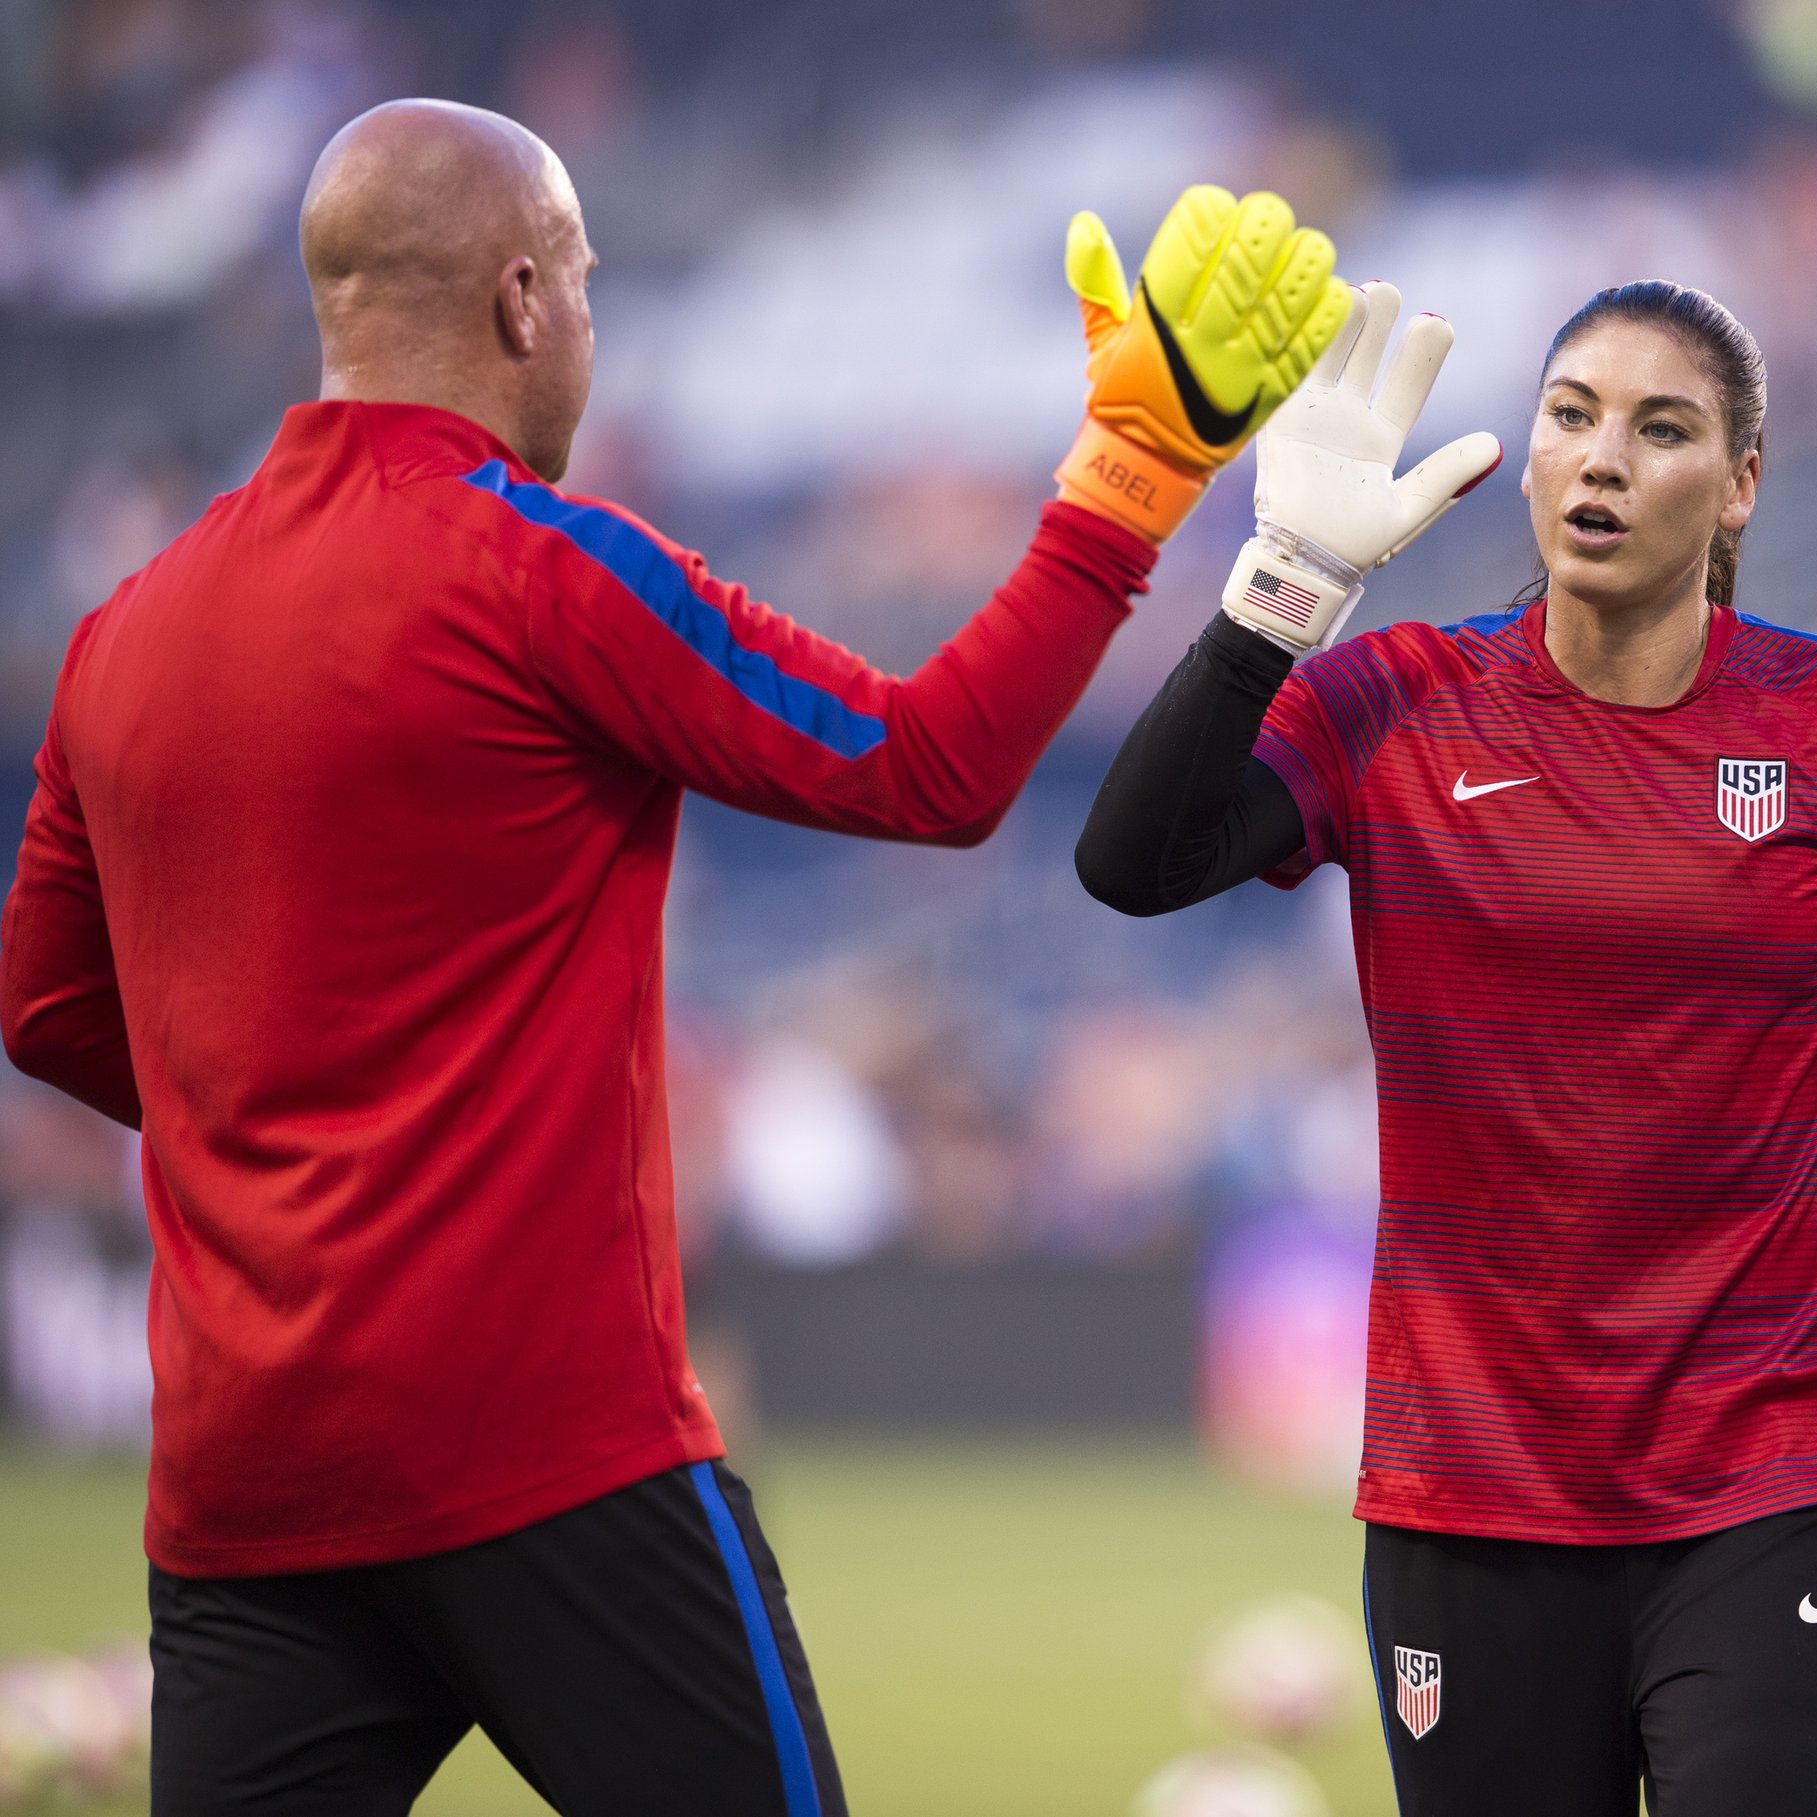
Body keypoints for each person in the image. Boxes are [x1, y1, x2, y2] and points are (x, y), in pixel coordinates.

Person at [0, 98, 1351, 1817]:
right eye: (583, 278)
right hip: (545, 1453)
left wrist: (288, 1115)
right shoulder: (542, 568)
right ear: (520, 302)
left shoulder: (125, 628)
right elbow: (926, 770)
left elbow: (44, 1008)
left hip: (244, 1483)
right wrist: (1133, 475)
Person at [1076, 280, 1817, 1815]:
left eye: (1662, 429)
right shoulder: (1397, 702)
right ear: (1525, 456)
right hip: (1470, 1480)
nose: (1602, 458)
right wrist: (1279, 586)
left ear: (1741, 481)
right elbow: (1134, 858)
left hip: (1778, 1457)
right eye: (1571, 415)